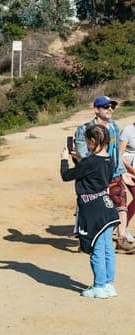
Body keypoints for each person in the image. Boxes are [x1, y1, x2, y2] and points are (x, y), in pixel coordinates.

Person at [61, 124, 120, 298]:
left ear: (93, 141)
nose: (86, 145)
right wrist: (79, 159)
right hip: (106, 206)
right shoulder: (109, 159)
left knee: (96, 247)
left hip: (93, 210)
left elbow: (67, 175)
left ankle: (99, 286)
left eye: (87, 142)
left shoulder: (90, 161)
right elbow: (93, 171)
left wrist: (64, 159)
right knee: (107, 247)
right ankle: (108, 284)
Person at [73, 96, 132, 253]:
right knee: (90, 208)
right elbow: (82, 153)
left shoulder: (113, 126)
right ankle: (86, 238)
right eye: (105, 106)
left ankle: (121, 238)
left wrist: (122, 171)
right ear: (96, 109)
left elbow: (116, 153)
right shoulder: (84, 129)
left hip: (112, 173)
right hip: (93, 177)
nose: (110, 109)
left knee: (121, 203)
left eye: (112, 106)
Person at [118, 116, 135, 243]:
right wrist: (130, 170)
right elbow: (119, 154)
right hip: (127, 170)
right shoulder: (128, 130)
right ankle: (123, 228)